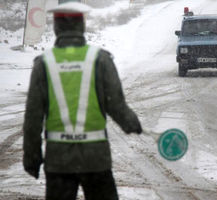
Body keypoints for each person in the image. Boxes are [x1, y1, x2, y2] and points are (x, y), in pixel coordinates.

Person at [22, 2, 142, 200]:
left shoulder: (44, 63)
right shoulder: (100, 59)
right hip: (96, 159)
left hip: (59, 160)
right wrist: (132, 124)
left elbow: (33, 117)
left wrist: (32, 158)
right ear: (82, 26)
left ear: (56, 27)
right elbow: (116, 104)